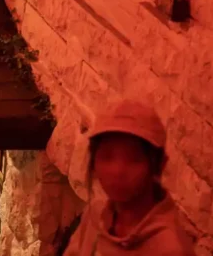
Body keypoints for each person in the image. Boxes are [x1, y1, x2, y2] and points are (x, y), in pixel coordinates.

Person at [65, 99, 194, 255]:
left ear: (159, 164)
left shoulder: (171, 249)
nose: (118, 171)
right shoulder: (95, 217)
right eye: (107, 157)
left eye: (134, 158)